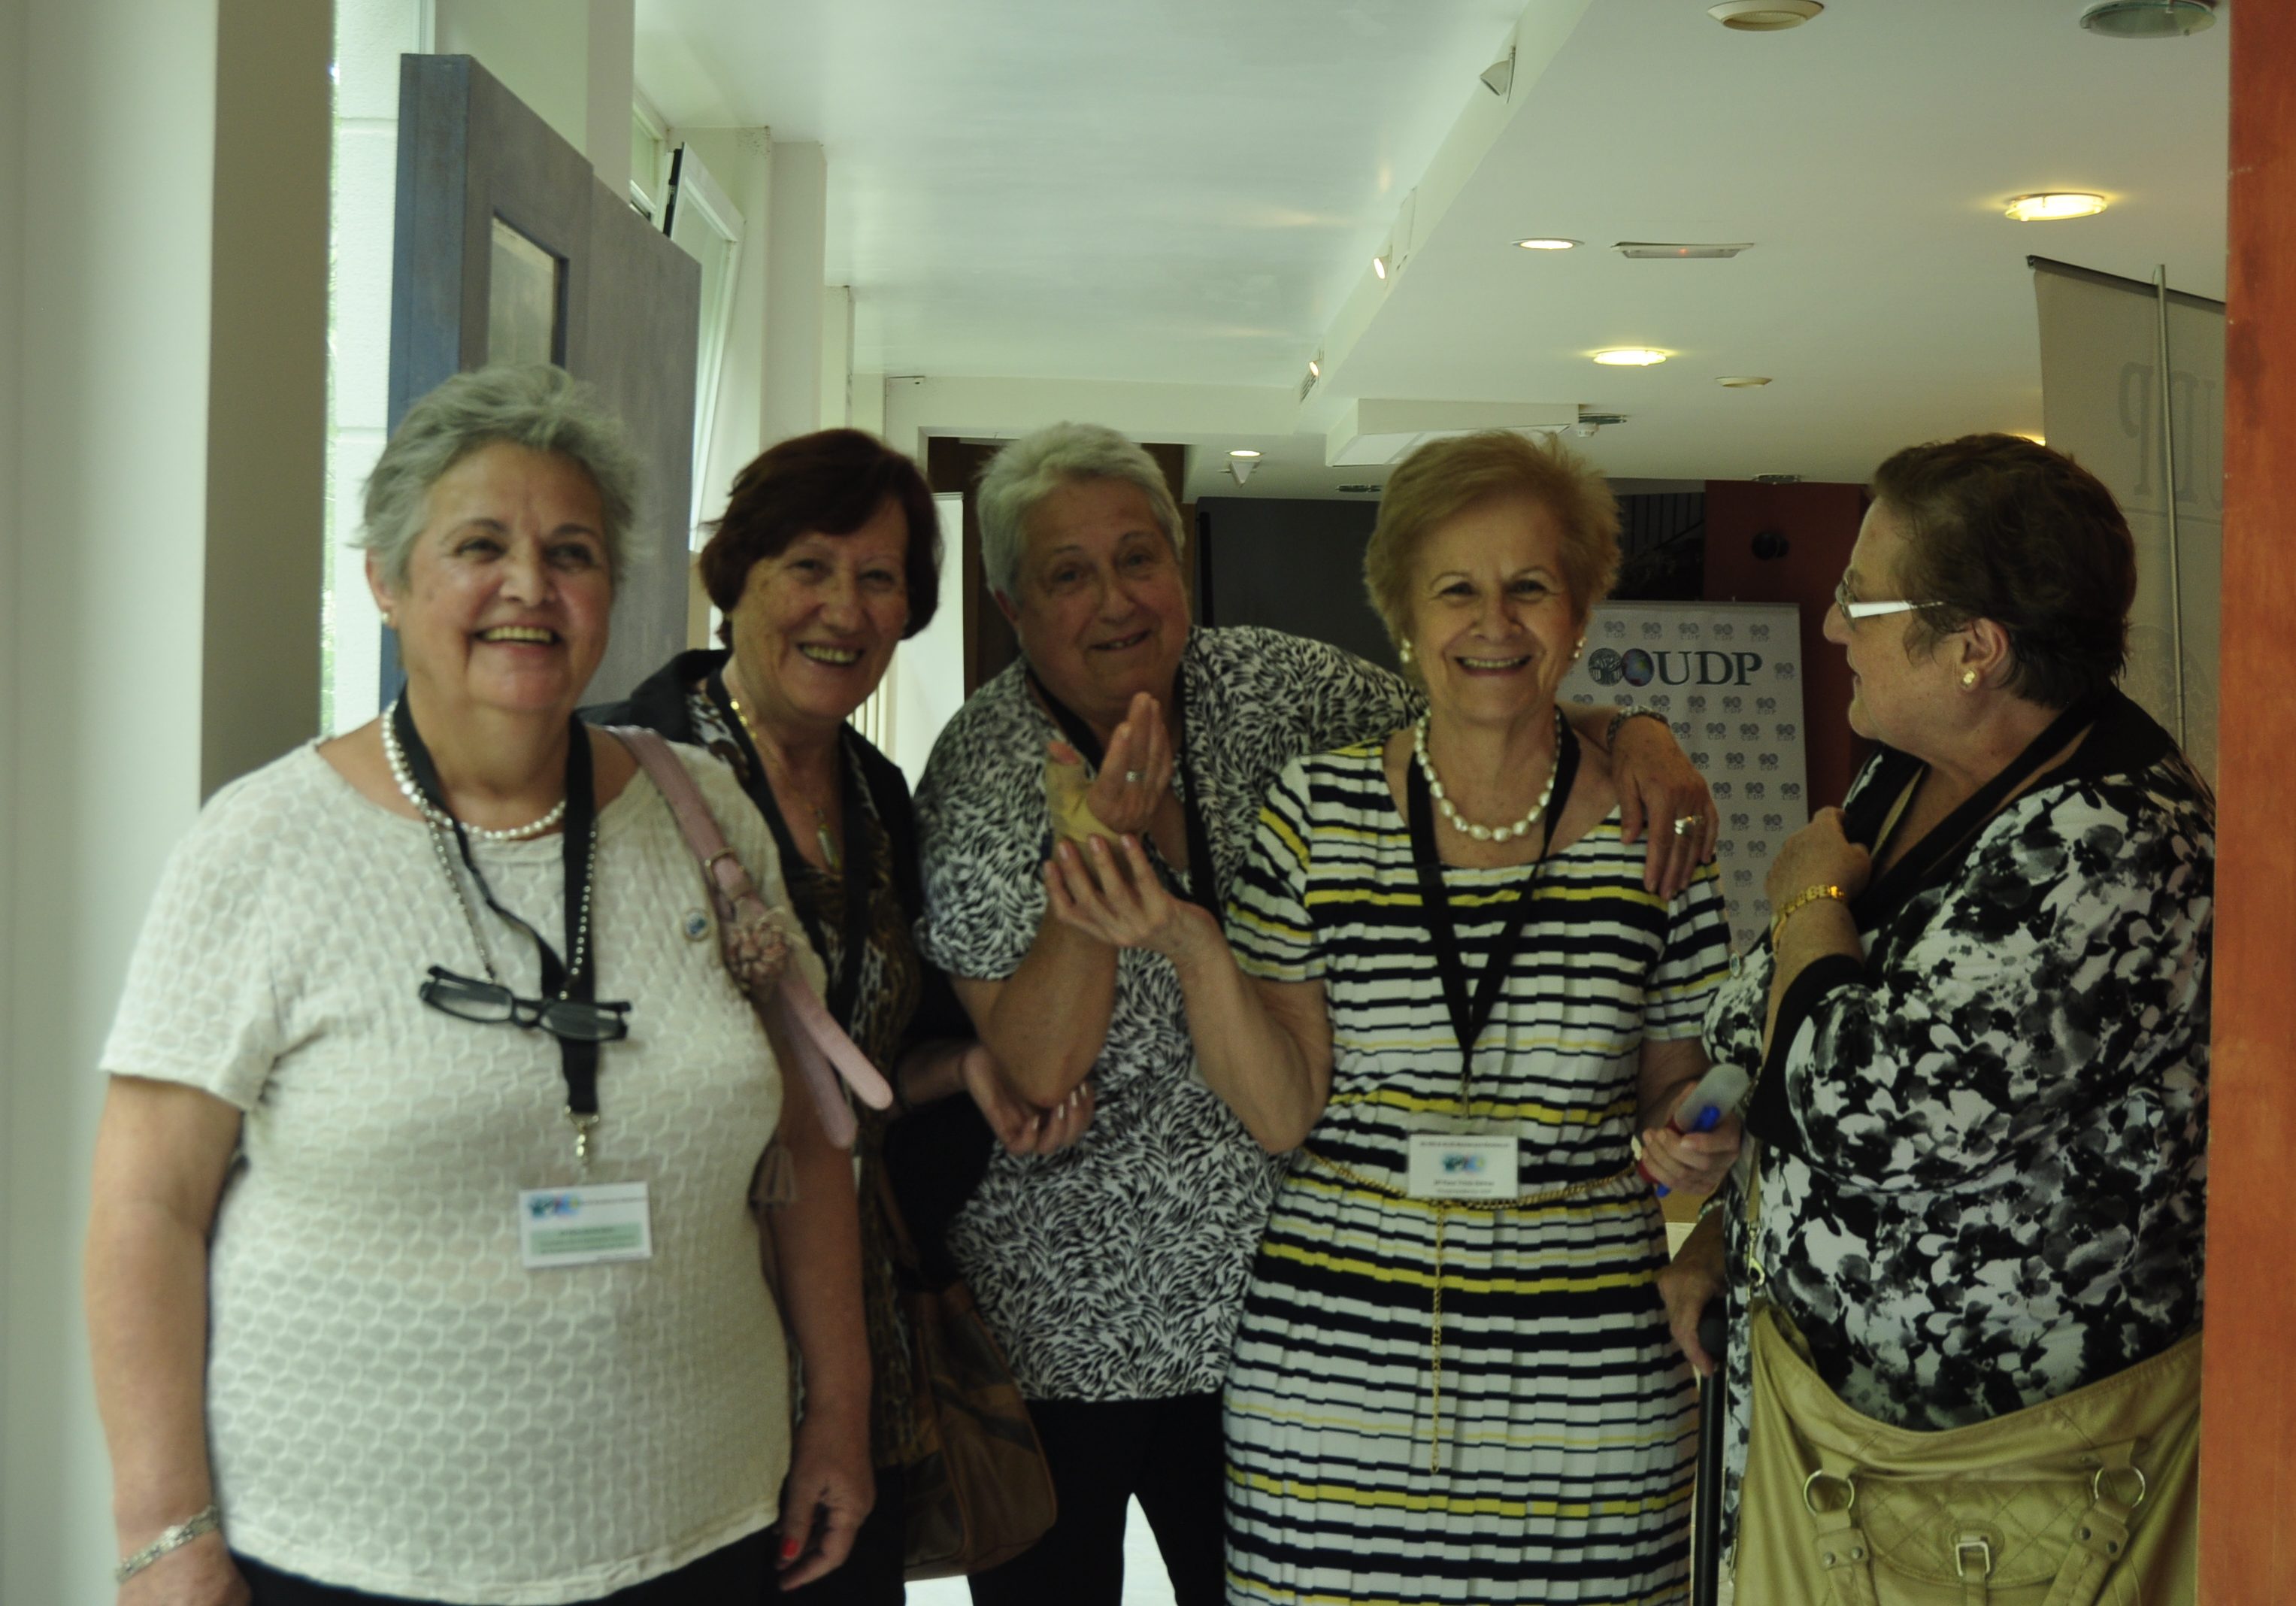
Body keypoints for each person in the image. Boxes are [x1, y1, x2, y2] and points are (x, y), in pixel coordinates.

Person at [84, 365, 870, 1606]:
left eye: (571, 551)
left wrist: (839, 1412)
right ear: (386, 582)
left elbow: (808, 1151)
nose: (530, 587)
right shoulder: (264, 845)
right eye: (479, 547)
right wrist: (163, 1535)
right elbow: (145, 1209)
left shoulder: (702, 810)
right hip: (357, 1548)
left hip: (700, 1521)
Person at [911, 422, 1722, 1604]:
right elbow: (1039, 1069)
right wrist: (1114, 878)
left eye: (1138, 559)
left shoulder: (1282, 691)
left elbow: (1485, 686)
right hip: (1082, 1326)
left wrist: (1641, 734)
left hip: (1307, 1315)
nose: (1114, 601)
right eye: (1066, 574)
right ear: (1012, 602)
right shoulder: (988, 773)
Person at [1659, 434, 2213, 1547]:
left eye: (1856, 601)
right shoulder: (1905, 772)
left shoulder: (2113, 847)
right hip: (1833, 1447)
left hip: (2002, 1481)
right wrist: (1724, 1211)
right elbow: (1754, 1024)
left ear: (1974, 647)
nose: (1827, 628)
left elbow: (1861, 1111)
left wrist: (1809, 892)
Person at [585, 427, 1089, 1603]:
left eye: (879, 579)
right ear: (737, 575)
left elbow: (859, 1061)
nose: (844, 610)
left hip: (853, 1327)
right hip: (684, 1304)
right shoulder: (621, 775)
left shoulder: (878, 796)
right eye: (808, 567)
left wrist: (960, 1070)